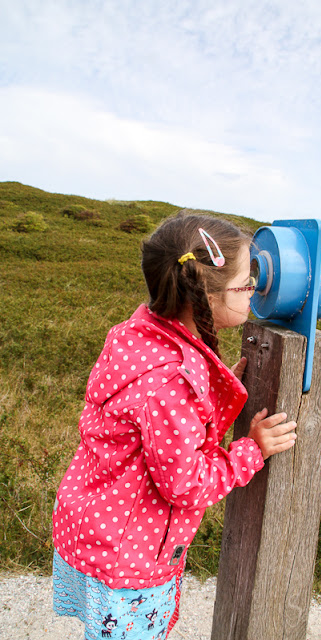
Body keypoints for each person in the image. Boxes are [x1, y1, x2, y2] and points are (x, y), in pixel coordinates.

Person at [52, 211, 297, 640]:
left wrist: (216, 388)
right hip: (127, 557)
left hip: (93, 524)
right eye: (246, 284)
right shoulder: (172, 384)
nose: (255, 290)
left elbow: (160, 425)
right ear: (205, 295)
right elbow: (184, 484)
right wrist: (250, 451)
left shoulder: (138, 333)